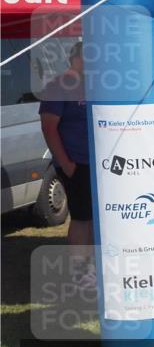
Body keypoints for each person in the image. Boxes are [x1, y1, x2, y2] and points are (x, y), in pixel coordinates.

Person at [39, 42, 93, 253]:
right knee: (81, 217)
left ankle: (93, 264)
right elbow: (48, 127)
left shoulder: (91, 84)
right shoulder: (57, 86)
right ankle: (81, 267)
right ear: (79, 58)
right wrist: (67, 165)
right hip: (76, 163)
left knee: (94, 217)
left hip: (96, 163)